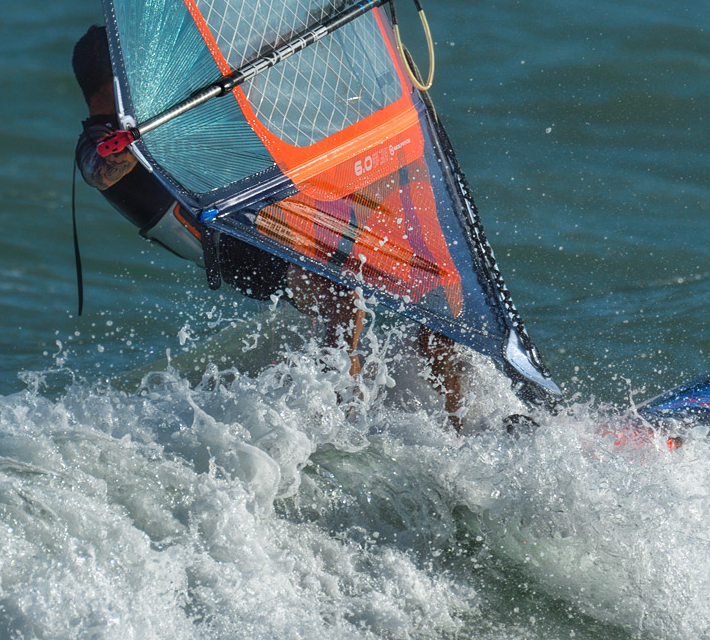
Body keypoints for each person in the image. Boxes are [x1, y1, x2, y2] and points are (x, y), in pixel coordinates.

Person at [72, 25, 466, 425]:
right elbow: (101, 172)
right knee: (339, 297)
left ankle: (460, 417)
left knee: (435, 279)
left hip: (266, 210)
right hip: (231, 244)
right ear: (119, 79)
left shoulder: (156, 116)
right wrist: (151, 127)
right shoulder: (96, 145)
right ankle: (344, 415)